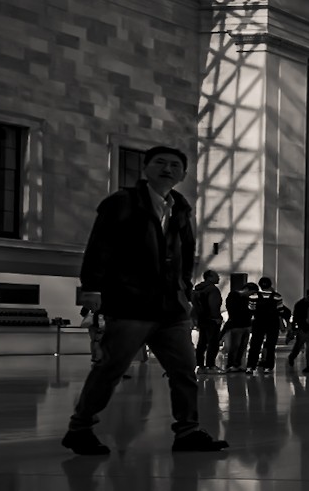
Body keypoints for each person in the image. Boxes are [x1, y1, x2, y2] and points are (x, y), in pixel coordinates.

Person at [60, 144, 228, 455]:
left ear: (183, 174)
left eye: (175, 165)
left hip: (171, 305)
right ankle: (80, 427)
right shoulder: (122, 203)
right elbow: (100, 246)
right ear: (146, 168)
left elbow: (187, 254)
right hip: (131, 302)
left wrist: (184, 291)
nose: (168, 169)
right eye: (160, 163)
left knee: (184, 370)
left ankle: (188, 431)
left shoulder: (180, 207)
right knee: (111, 367)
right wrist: (92, 289)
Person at [247, 276, 285, 372]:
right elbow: (280, 310)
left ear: (259, 285)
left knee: (255, 344)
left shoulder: (253, 296)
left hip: (258, 322)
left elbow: (251, 309)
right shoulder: (277, 296)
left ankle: (251, 366)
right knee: (271, 345)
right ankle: (268, 366)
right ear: (270, 285)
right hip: (273, 322)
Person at [190, 268, 224, 373]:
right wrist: (216, 318)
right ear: (209, 277)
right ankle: (211, 365)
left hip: (202, 319)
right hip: (211, 320)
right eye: (216, 275)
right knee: (213, 343)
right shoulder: (212, 289)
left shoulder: (198, 289)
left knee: (202, 343)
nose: (219, 277)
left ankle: (199, 365)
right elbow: (213, 304)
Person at [221, 275, 255, 373]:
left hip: (246, 324)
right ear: (247, 289)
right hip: (237, 325)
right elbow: (233, 311)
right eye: (251, 293)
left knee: (242, 346)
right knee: (235, 346)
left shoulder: (246, 299)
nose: (251, 295)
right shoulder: (233, 296)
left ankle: (237, 364)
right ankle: (231, 364)